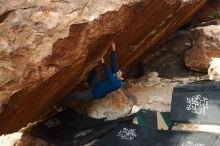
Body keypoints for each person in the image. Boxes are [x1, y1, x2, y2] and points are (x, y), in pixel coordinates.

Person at [61, 42, 124, 108]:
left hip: (93, 93)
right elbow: (113, 62)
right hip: (96, 84)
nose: (117, 72)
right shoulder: (116, 74)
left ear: (121, 78)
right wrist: (113, 50)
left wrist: (103, 64)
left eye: (119, 73)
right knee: (96, 71)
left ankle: (62, 107)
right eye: (118, 72)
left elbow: (109, 75)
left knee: (73, 95)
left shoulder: (117, 84)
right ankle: (87, 82)